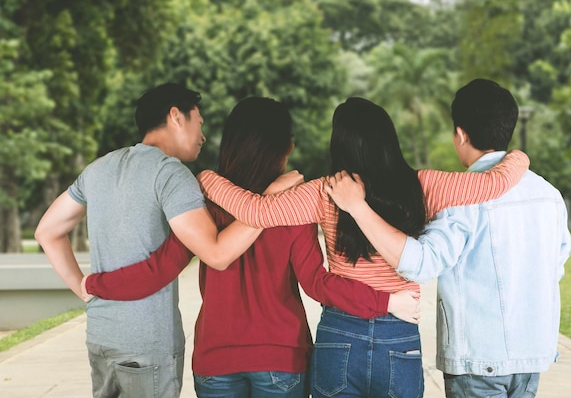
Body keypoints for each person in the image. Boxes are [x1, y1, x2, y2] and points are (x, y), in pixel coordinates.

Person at [81, 96, 422, 398]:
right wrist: (386, 301)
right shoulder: (292, 208)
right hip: (282, 361)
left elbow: (160, 268)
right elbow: (318, 284)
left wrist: (95, 284)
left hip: (216, 360)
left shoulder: (205, 203)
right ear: (282, 148)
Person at [195, 97, 531, 398]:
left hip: (339, 333)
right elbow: (495, 183)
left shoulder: (323, 192)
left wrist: (207, 178)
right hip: (398, 334)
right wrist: (519, 155)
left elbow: (255, 212)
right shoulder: (425, 185)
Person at [34, 83, 284, 398]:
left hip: (100, 334)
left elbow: (47, 231)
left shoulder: (98, 169)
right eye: (199, 123)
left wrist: (83, 288)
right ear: (176, 117)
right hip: (146, 344)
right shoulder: (171, 174)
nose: (202, 136)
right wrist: (268, 201)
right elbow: (217, 254)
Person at [325, 79, 571, 398]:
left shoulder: (461, 199)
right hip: (532, 355)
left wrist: (359, 209)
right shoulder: (549, 195)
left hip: (477, 357)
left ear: (460, 135)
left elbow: (421, 265)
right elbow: (557, 267)